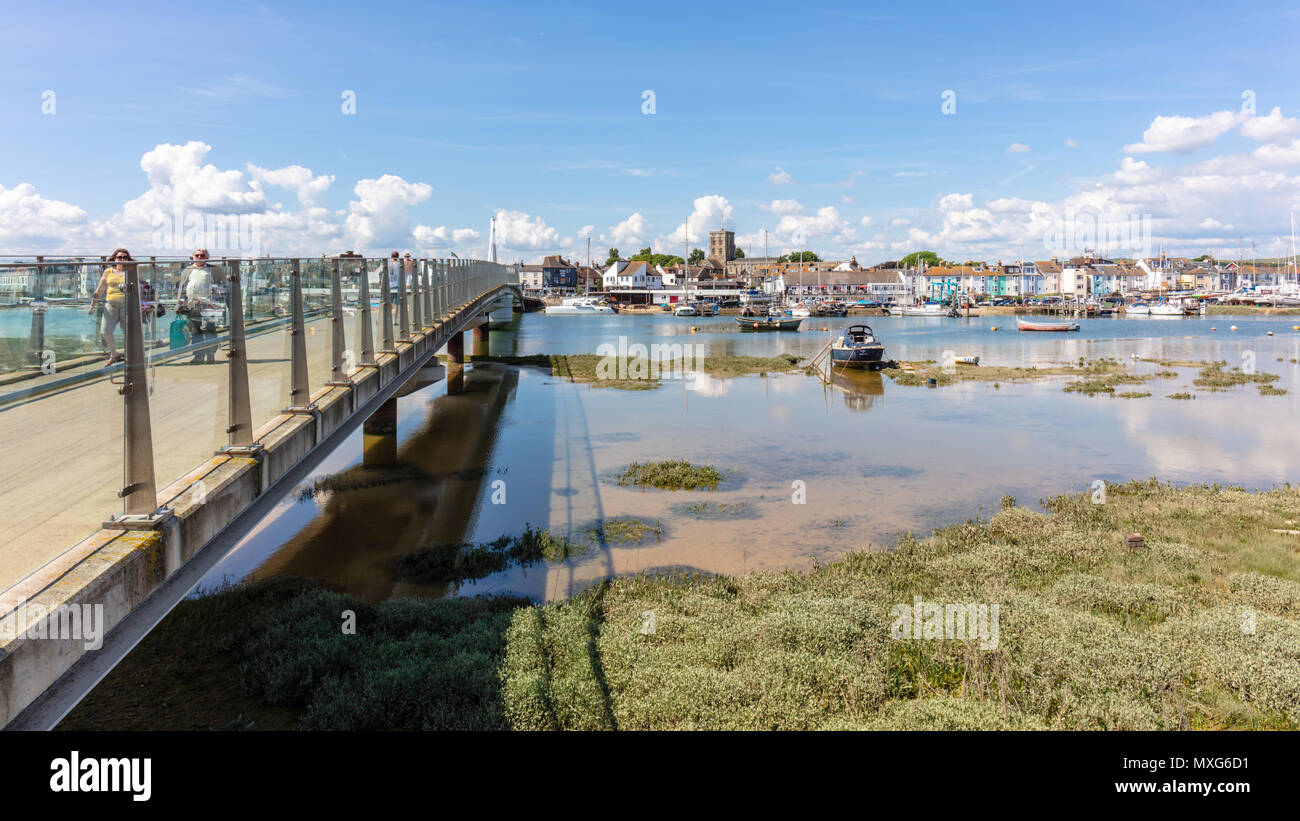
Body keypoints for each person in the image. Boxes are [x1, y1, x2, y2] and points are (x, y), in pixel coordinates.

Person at [176, 249, 224, 363]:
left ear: (207, 257)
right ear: (193, 257)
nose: (199, 257)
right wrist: (179, 304)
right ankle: (198, 356)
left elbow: (222, 287)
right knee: (195, 331)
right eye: (197, 255)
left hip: (209, 305)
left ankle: (211, 355)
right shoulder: (187, 270)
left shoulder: (214, 270)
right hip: (192, 305)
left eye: (202, 255)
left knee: (210, 330)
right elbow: (181, 288)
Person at [89, 248, 133, 366]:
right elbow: (100, 289)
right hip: (111, 304)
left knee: (128, 332)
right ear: (115, 259)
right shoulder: (108, 271)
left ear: (128, 260)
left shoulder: (131, 271)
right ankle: (114, 354)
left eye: (125, 257)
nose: (122, 259)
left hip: (126, 304)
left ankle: (130, 355)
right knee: (105, 331)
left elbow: (137, 288)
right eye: (120, 257)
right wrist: (92, 305)